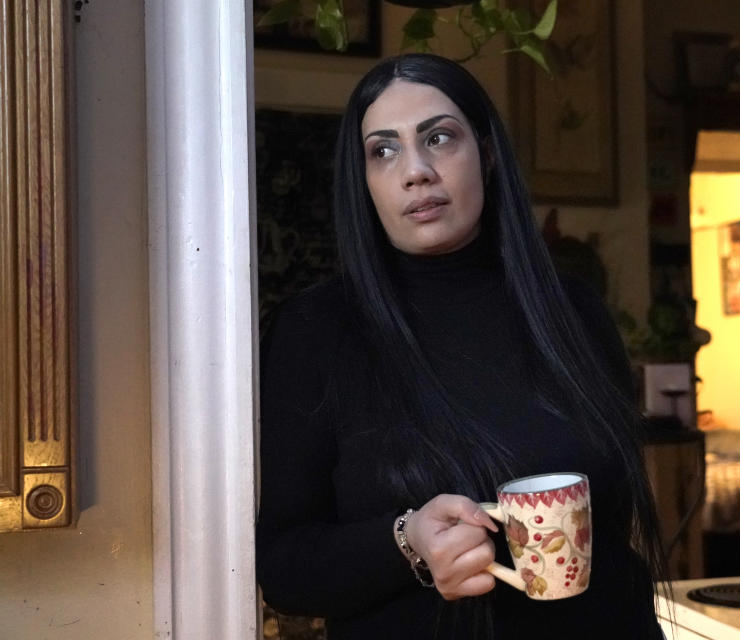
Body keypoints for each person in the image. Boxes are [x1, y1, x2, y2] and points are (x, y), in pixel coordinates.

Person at [256, 53, 665, 639]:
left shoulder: (572, 311)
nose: (415, 171)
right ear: (364, 179)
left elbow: (615, 518)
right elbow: (284, 569)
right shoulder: (315, 332)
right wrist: (406, 541)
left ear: (488, 152)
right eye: (384, 150)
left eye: (439, 138)